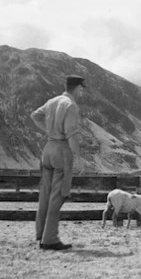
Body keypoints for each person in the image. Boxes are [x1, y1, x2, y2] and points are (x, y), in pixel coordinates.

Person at [30, 74, 86, 250]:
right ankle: (50, 238)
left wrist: (48, 130)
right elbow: (71, 133)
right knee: (58, 194)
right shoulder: (71, 105)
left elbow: (35, 116)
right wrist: (78, 158)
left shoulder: (53, 101)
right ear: (78, 88)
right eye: (82, 88)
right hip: (62, 151)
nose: (82, 91)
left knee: (45, 194)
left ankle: (41, 234)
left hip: (48, 148)